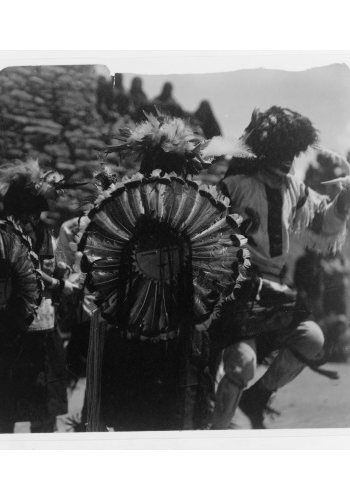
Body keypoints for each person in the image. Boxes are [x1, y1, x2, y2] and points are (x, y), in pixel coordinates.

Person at [78, 111, 254, 431]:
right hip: (162, 334)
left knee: (145, 421)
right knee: (164, 421)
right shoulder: (170, 218)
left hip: (143, 333)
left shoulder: (133, 214)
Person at [210, 106, 350, 429]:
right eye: (283, 151)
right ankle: (216, 435)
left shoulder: (294, 189)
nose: (290, 159)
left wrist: (344, 202)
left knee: (312, 339)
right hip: (237, 293)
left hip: (274, 295)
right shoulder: (235, 186)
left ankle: (257, 398)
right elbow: (204, 233)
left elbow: (324, 223)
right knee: (242, 364)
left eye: (294, 152)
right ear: (266, 150)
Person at [0, 158, 79, 433]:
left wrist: (60, 273)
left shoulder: (44, 234)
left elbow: (46, 267)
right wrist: (58, 284)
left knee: (43, 410)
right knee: (3, 409)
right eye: (29, 212)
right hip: (10, 333)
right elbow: (26, 274)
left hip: (43, 329)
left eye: (36, 212)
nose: (33, 218)